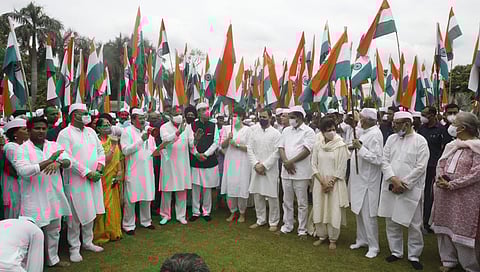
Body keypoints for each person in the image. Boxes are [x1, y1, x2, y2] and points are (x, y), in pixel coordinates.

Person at [16, 116, 72, 267]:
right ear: (29, 130)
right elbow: (23, 171)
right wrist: (49, 161)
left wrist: (59, 161)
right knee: (32, 232)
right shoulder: (22, 149)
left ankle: (52, 259)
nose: (41, 131)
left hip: (54, 195)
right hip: (34, 197)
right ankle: (28, 264)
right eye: (37, 128)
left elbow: (68, 162)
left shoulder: (54, 146)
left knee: (54, 229)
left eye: (43, 128)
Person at [378, 111, 429, 270]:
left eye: (396, 123)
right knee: (391, 220)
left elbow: (420, 167)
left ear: (407, 124)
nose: (393, 126)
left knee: (414, 224)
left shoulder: (420, 141)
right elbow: (384, 160)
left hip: (410, 188)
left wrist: (404, 183)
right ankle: (396, 251)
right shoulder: (391, 139)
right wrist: (393, 180)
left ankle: (414, 255)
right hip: (391, 186)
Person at [57, 103, 105, 262]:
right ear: (73, 115)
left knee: (91, 210)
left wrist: (99, 166)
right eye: (83, 113)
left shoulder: (91, 131)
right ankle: (74, 247)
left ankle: (88, 242)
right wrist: (86, 172)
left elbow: (100, 150)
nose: (86, 115)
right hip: (76, 180)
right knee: (75, 215)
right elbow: (67, 157)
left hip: (94, 178)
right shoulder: (65, 134)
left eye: (87, 112)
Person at [432, 112, 480, 272]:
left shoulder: (477, 147)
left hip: (465, 197)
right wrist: (440, 178)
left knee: (462, 230)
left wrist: (453, 184)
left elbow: (476, 174)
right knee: (444, 228)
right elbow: (441, 163)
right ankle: (448, 260)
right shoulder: (452, 145)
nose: (451, 125)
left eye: (455, 123)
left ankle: (470, 266)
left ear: (463, 128)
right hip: (444, 194)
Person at [348, 108, 383, 258]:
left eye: (361, 118)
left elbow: (377, 159)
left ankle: (374, 246)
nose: (359, 121)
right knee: (358, 211)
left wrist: (360, 148)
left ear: (368, 120)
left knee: (369, 214)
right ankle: (361, 239)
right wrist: (354, 146)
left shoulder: (375, 134)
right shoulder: (364, 132)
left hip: (368, 181)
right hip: (358, 179)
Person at [310, 117, 349, 250]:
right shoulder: (318, 145)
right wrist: (322, 182)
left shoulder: (340, 145)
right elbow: (313, 164)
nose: (331, 132)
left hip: (335, 183)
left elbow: (342, 167)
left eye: (333, 129)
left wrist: (331, 182)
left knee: (333, 209)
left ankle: (333, 238)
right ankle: (322, 235)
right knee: (319, 206)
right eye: (328, 130)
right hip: (320, 181)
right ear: (322, 132)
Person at [278, 106, 316, 237]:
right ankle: (287, 225)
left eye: (292, 117)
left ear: (299, 118)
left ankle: (302, 229)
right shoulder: (286, 130)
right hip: (286, 171)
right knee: (287, 201)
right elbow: (281, 147)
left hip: (301, 172)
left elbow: (306, 150)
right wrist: (285, 162)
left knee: (302, 202)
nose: (290, 120)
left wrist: (291, 162)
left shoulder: (309, 131)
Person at [121, 108, 157, 234]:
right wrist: (142, 139)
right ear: (132, 119)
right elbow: (125, 151)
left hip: (147, 169)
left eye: (143, 118)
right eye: (140, 118)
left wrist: (159, 150)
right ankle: (128, 225)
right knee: (131, 198)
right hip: (134, 170)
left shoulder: (149, 131)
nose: (142, 121)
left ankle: (146, 221)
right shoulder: (127, 132)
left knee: (146, 196)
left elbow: (153, 148)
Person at [248, 108, 281, 232]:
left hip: (270, 169)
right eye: (260, 117)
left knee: (272, 196)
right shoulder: (254, 132)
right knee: (257, 195)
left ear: (270, 118)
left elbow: (277, 152)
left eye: (264, 117)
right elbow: (249, 149)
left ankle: (273, 221)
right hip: (256, 168)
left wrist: (264, 165)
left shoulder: (276, 133)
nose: (262, 119)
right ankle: (260, 219)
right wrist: (256, 164)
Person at [158, 106, 192, 225]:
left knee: (181, 189)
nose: (178, 116)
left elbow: (191, 143)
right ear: (170, 116)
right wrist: (178, 132)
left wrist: (196, 140)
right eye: (176, 114)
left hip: (182, 162)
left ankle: (181, 215)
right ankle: (165, 215)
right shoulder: (164, 127)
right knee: (167, 189)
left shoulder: (187, 126)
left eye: (180, 114)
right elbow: (166, 140)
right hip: (169, 162)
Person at [93, 116, 124, 243]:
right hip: (102, 178)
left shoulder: (113, 140)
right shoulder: (97, 142)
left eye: (109, 124)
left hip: (114, 177)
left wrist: (120, 172)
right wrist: (112, 147)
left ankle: (114, 231)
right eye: (105, 125)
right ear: (98, 128)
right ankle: (102, 233)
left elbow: (120, 158)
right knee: (105, 205)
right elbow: (104, 160)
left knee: (115, 204)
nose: (108, 127)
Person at [418, 106, 448, 233]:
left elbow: (445, 148)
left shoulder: (441, 130)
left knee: (429, 194)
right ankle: (420, 219)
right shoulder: (421, 128)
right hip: (421, 165)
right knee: (421, 193)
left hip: (433, 166)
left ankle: (426, 222)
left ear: (432, 115)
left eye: (424, 114)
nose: (422, 116)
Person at [189, 103, 220, 222]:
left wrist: (206, 154)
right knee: (196, 186)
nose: (206, 112)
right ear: (198, 112)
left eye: (207, 109)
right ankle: (195, 212)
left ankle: (206, 211)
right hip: (196, 160)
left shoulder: (213, 125)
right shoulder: (192, 125)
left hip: (209, 160)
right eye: (203, 110)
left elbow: (216, 142)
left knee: (207, 187)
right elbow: (190, 142)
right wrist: (197, 154)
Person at [221, 112, 251, 223]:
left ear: (241, 117)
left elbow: (250, 148)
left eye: (236, 116)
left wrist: (237, 145)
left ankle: (242, 212)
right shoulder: (227, 129)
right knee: (231, 185)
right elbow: (222, 146)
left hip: (243, 161)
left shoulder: (248, 130)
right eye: (232, 116)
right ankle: (233, 211)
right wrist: (228, 140)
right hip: (230, 161)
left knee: (242, 185)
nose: (233, 118)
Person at [1, 118, 29, 218]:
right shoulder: (10, 147)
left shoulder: (26, 146)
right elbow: (20, 168)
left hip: (24, 185)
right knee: (14, 213)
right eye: (24, 129)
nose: (28, 131)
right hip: (13, 186)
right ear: (15, 134)